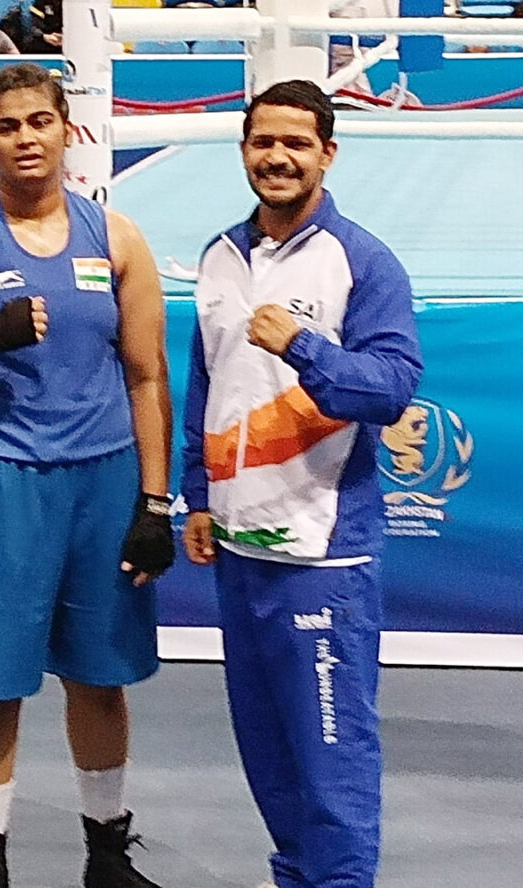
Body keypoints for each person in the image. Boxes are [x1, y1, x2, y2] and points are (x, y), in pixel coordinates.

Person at [0, 62, 174, 888]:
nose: (26, 139)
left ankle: (106, 856)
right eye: (9, 127)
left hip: (102, 480)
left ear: (67, 130)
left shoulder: (117, 237)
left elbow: (146, 375)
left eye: (39, 122)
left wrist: (156, 501)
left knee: (100, 676)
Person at [180, 80, 423, 888]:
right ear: (244, 149)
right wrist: (199, 495)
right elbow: (205, 384)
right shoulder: (218, 256)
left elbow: (390, 391)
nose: (277, 158)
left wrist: (305, 346)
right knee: (271, 759)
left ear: (327, 153)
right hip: (243, 548)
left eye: (295, 143)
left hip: (322, 555)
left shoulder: (361, 260)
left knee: (332, 762)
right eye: (262, 142)